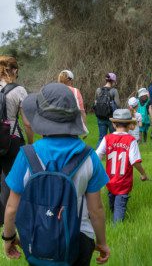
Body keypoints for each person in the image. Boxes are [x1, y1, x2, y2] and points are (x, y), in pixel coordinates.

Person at [3, 83, 110, 265]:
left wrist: (8, 238)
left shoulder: (26, 155)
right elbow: (96, 210)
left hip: (38, 238)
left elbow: (12, 207)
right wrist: (101, 242)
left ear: (40, 119)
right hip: (79, 238)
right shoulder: (89, 157)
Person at [96, 109, 148, 223]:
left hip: (109, 180)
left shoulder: (107, 138)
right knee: (119, 209)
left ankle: (114, 221)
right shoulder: (131, 140)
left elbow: (97, 156)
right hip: (124, 182)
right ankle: (117, 226)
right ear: (130, 125)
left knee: (113, 203)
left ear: (113, 124)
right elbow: (134, 161)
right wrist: (143, 174)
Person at [0, 55, 33, 226]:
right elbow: (27, 122)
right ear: (14, 70)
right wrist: (30, 141)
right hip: (12, 139)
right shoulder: (19, 90)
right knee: (13, 178)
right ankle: (12, 215)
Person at [58, 69, 88, 135]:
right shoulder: (75, 91)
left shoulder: (54, 90)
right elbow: (82, 111)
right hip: (72, 124)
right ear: (70, 80)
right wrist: (85, 128)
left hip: (57, 124)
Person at [94, 73, 120, 147]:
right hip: (111, 117)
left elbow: (95, 102)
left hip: (100, 117)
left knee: (101, 138)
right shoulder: (114, 91)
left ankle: (97, 155)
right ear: (113, 81)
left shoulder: (98, 90)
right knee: (113, 136)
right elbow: (118, 104)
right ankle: (113, 153)